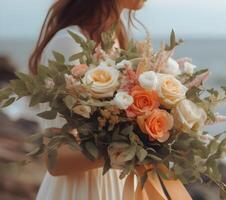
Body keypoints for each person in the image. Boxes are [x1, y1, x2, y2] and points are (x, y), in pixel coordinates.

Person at [28, 0, 146, 199]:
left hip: (116, 187)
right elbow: (56, 159)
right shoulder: (68, 43)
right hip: (80, 191)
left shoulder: (117, 38)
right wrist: (136, 148)